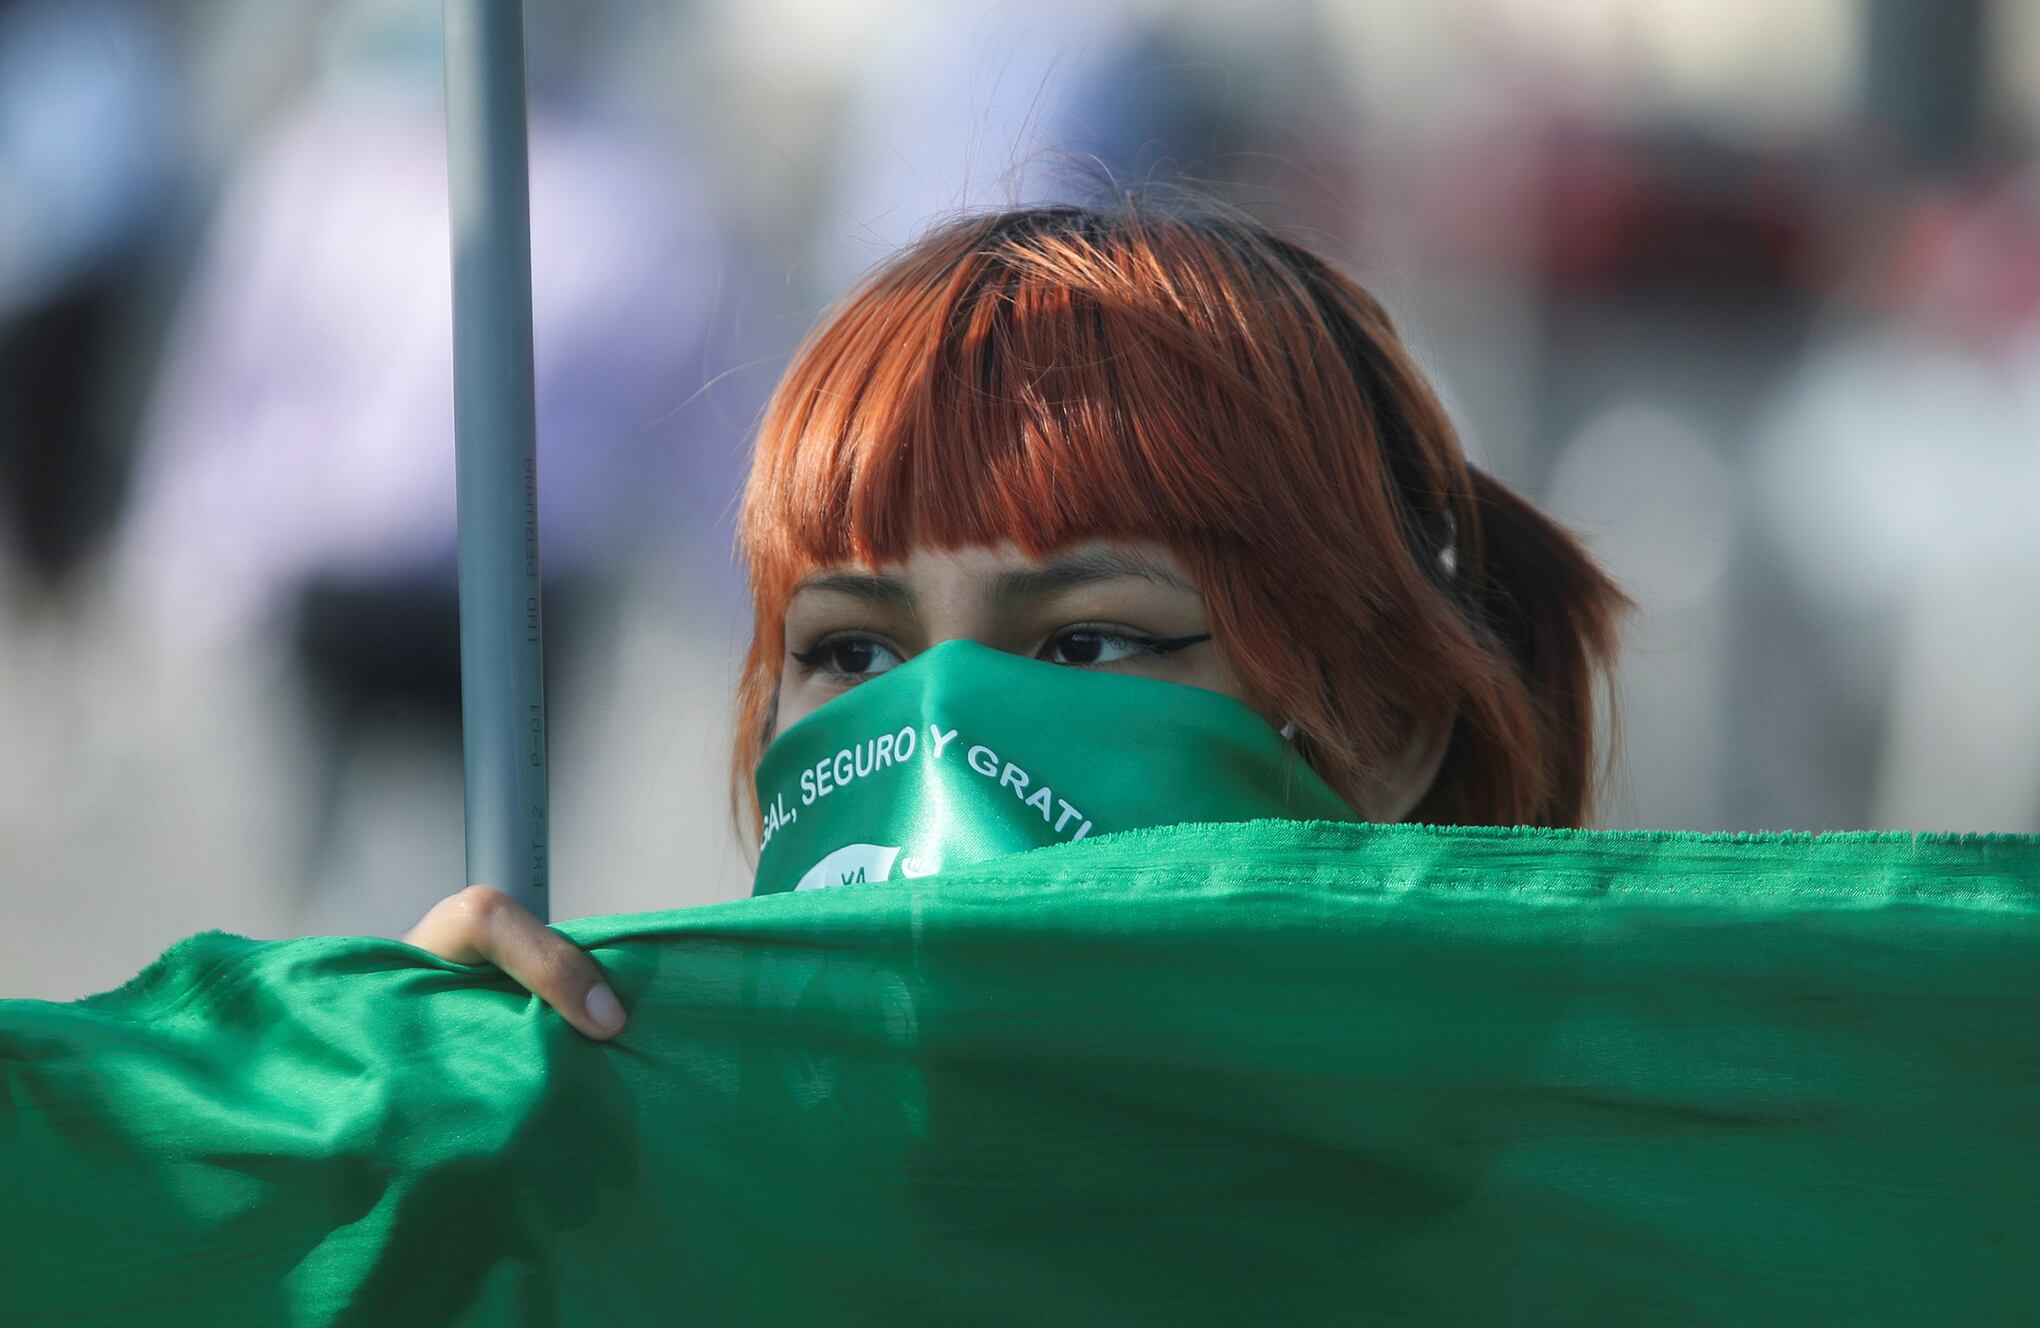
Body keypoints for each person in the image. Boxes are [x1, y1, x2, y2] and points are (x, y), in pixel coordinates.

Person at [400, 200, 1628, 1039]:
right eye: (855, 651)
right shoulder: (629, 1198)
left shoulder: (1555, 1251)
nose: (938, 729)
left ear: (1391, 728)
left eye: (1086, 641)